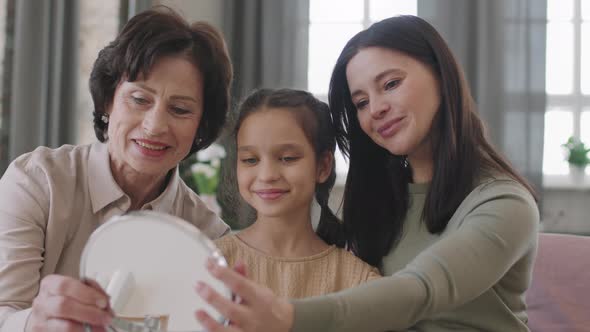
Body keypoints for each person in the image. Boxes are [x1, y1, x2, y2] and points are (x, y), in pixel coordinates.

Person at [194, 15, 539, 332]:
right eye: (360, 102)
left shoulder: (504, 203)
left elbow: (422, 289)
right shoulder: (377, 204)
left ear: (441, 74)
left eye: (390, 84)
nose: (376, 108)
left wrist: (287, 316)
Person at [0, 7, 233, 332]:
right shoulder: (37, 183)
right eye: (139, 99)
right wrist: (34, 323)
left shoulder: (206, 237)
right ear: (108, 101)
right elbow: (3, 311)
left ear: (201, 127)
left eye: (180, 109)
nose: (154, 126)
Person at [215, 89, 380, 299]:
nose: (266, 175)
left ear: (323, 166)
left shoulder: (358, 282)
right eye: (250, 160)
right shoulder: (210, 264)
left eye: (287, 158)